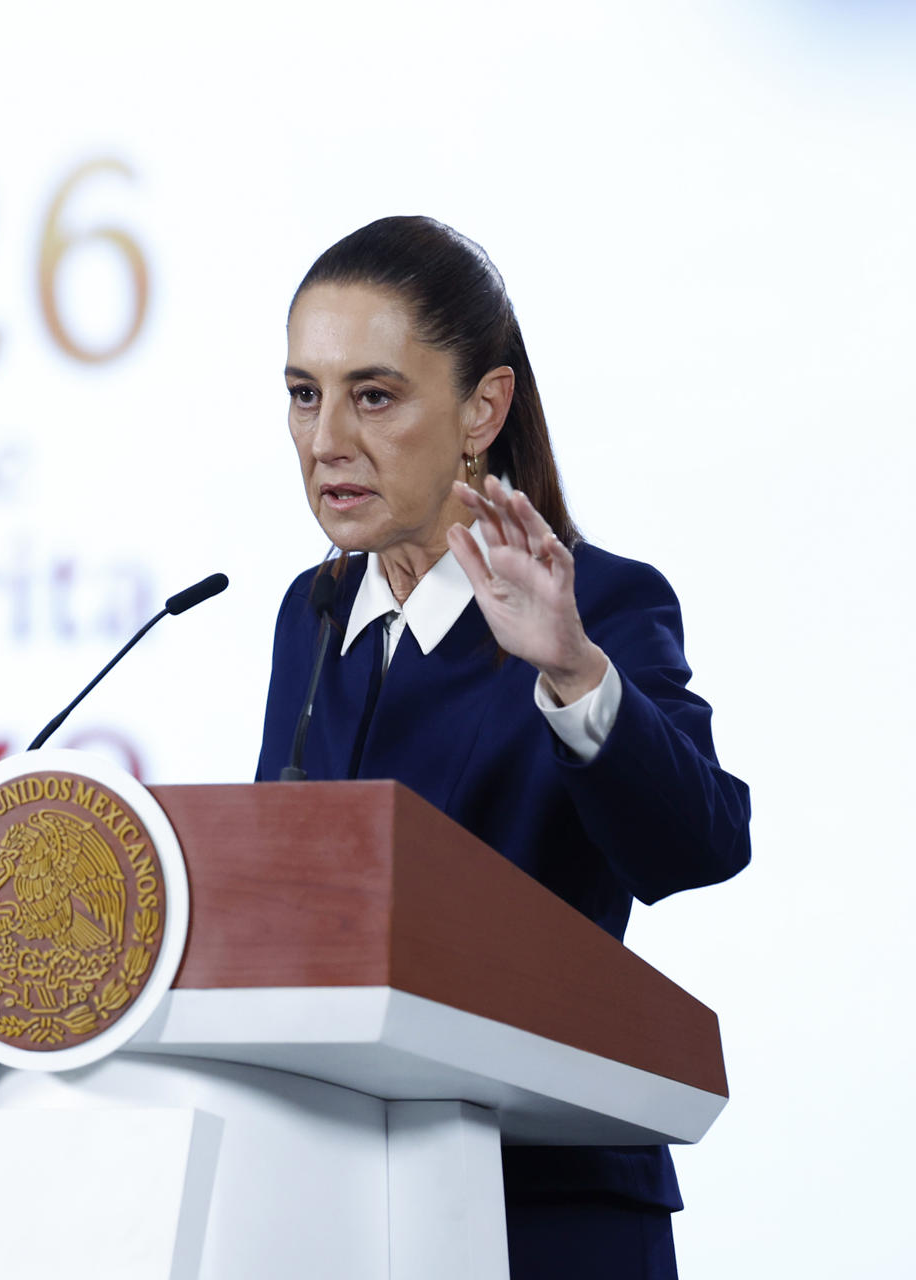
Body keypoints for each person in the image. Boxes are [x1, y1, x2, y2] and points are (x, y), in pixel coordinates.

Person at [255, 216, 750, 1278]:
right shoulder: (312, 615)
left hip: (543, 1202)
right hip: (335, 1199)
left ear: (484, 407)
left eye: (373, 394)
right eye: (305, 392)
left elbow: (700, 842)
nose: (326, 438)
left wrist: (571, 667)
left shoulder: (601, 601)